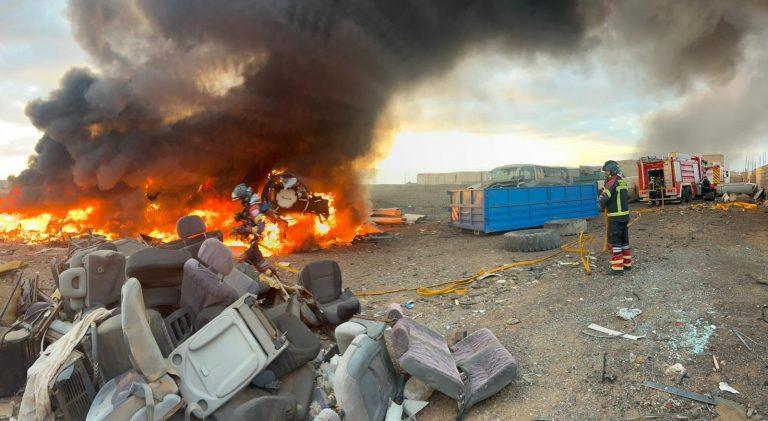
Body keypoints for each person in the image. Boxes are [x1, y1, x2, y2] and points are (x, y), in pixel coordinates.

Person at [231, 183, 278, 274]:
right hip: (253, 245)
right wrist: (242, 216)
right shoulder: (253, 205)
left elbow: (260, 228)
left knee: (244, 264)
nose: (240, 202)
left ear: (245, 198)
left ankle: (271, 280)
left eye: (240, 199)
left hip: (256, 242)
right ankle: (271, 278)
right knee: (260, 265)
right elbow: (252, 220)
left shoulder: (253, 208)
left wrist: (244, 230)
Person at [599, 161, 632, 275]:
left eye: (607, 171)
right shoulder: (622, 181)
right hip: (624, 217)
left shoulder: (611, 182)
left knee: (615, 243)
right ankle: (627, 264)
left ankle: (617, 268)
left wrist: (600, 204)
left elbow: (604, 198)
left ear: (612, 170)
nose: (605, 174)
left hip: (615, 218)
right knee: (624, 242)